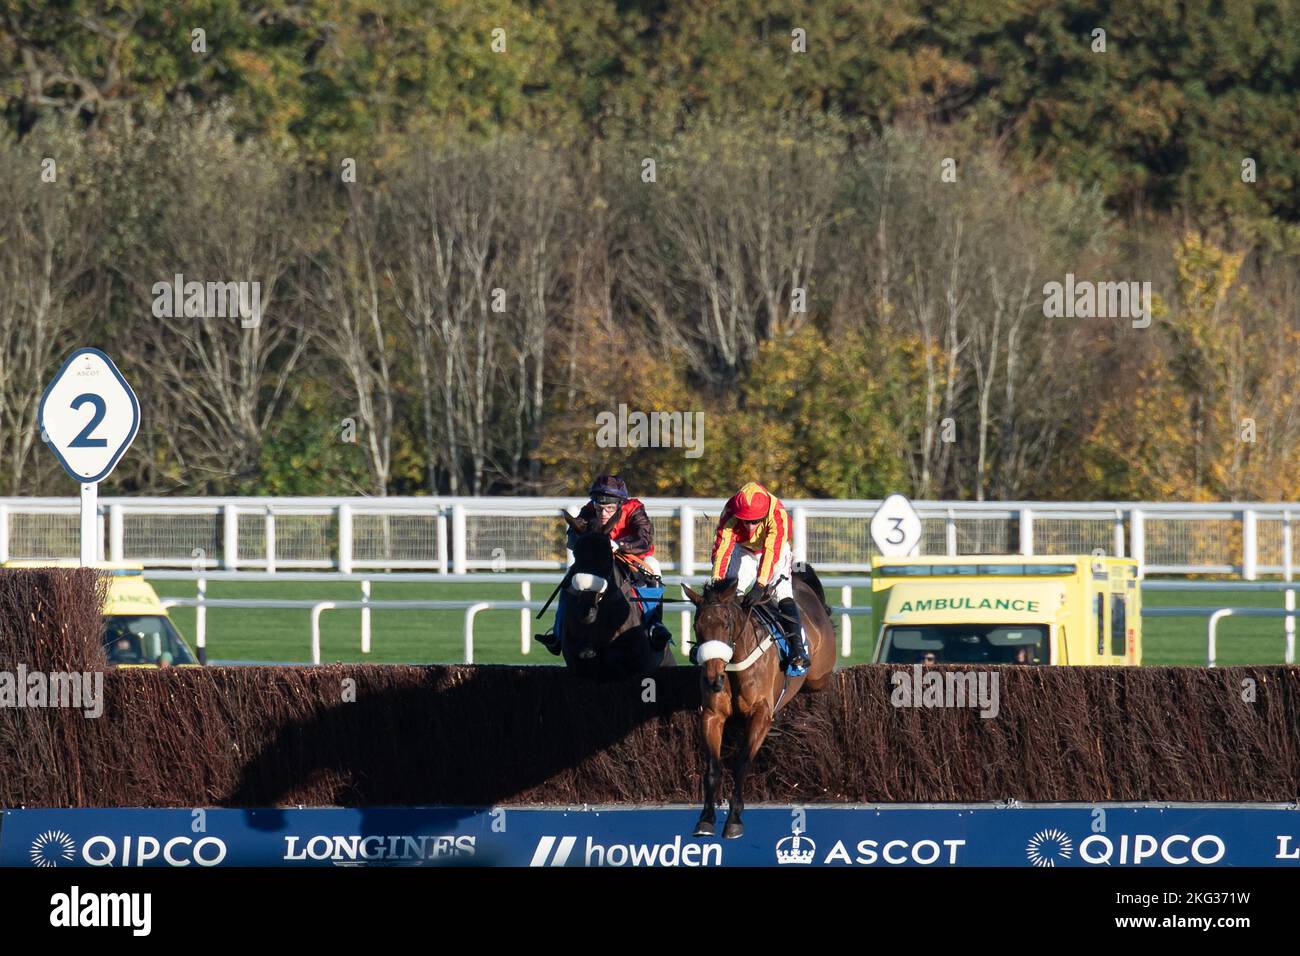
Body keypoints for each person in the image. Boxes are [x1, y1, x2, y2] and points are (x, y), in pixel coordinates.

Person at [535, 475, 671, 654]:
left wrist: (619, 545)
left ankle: (655, 625)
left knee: (653, 565)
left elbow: (644, 539)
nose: (603, 514)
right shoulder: (589, 510)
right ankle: (558, 633)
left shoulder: (635, 509)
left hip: (632, 557)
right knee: (570, 575)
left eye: (609, 509)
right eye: (600, 509)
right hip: (600, 559)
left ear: (620, 504)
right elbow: (572, 538)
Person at [707, 481, 809, 671]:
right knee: (726, 595)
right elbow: (722, 549)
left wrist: (759, 585)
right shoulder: (730, 512)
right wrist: (717, 584)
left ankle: (798, 650)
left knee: (782, 594)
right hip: (744, 551)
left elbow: (771, 552)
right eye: (746, 521)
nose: (750, 526)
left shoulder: (778, 515)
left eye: (755, 521)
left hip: (774, 552)